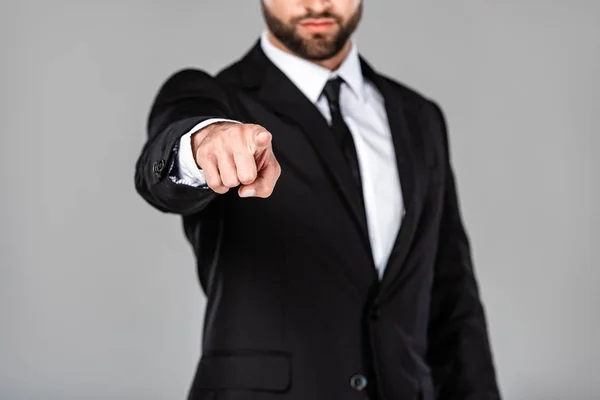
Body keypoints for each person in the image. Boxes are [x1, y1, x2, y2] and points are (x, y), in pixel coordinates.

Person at [134, 1, 501, 399]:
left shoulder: (420, 118)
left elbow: (452, 300)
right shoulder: (216, 99)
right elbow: (168, 158)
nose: (317, 3)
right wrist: (205, 144)